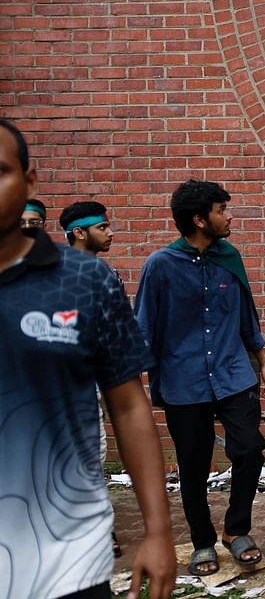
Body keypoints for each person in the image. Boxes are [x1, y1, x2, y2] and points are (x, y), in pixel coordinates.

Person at [0, 119, 176, 599]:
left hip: (66, 556)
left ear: (29, 181)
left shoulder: (85, 281)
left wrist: (158, 531)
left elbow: (129, 404)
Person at [134, 179, 265, 577]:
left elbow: (246, 314)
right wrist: (134, 382)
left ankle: (237, 530)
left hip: (234, 373)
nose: (229, 216)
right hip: (184, 379)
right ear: (200, 219)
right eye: (221, 209)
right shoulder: (160, 265)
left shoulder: (230, 257)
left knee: (248, 449)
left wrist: (263, 360)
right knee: (194, 465)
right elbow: (144, 326)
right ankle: (202, 541)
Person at [59, 199, 125, 556]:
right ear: (79, 233)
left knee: (95, 456)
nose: (110, 232)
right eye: (102, 228)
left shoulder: (110, 276)